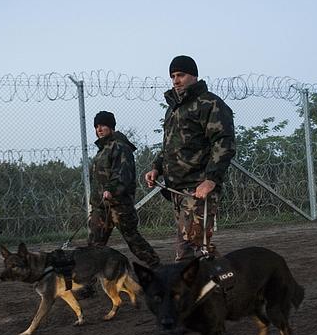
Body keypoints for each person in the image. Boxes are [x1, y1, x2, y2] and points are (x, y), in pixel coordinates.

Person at [145, 55, 236, 263]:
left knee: (196, 247)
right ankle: (202, 289)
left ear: (193, 76)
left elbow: (224, 143)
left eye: (181, 75)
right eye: (173, 76)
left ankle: (228, 283)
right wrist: (156, 168)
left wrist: (211, 179)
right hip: (176, 189)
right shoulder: (174, 108)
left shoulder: (210, 104)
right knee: (190, 247)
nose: (176, 80)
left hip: (198, 188)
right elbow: (170, 145)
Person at [87, 111, 161, 268]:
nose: (99, 129)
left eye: (103, 125)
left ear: (111, 127)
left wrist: (110, 190)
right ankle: (88, 283)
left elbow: (123, 174)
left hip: (119, 205)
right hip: (101, 206)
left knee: (133, 239)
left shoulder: (120, 147)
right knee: (93, 246)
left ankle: (156, 266)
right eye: (97, 126)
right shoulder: (103, 149)